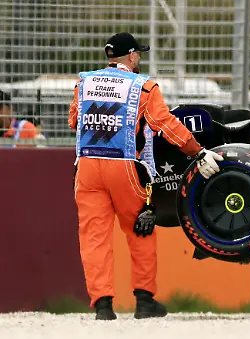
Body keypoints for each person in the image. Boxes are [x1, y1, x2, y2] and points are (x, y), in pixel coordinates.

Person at [71, 32, 223, 320]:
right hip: (126, 167)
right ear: (130, 56)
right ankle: (144, 301)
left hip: (88, 168)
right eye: (139, 53)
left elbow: (74, 120)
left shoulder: (84, 82)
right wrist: (198, 152)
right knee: (140, 229)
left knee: (93, 238)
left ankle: (102, 305)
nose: (140, 58)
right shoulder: (144, 87)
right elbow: (164, 123)